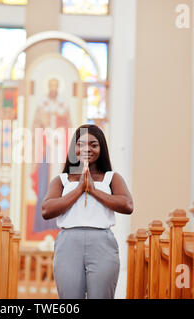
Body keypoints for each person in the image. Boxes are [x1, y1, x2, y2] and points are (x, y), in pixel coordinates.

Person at [41, 124, 134, 299]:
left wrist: (93, 190)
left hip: (102, 243)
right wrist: (78, 189)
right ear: (73, 148)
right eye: (81, 144)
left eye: (93, 144)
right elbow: (46, 210)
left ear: (101, 149)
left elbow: (127, 205)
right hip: (68, 243)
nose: (87, 149)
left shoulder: (111, 178)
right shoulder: (62, 180)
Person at [31, 77, 72, 233]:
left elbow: (70, 125)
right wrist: (44, 122)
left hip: (60, 149)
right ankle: (42, 224)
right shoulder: (42, 104)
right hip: (45, 149)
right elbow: (35, 125)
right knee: (44, 184)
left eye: (56, 86)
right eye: (51, 86)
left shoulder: (64, 105)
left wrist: (60, 123)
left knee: (61, 184)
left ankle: (58, 223)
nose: (53, 89)